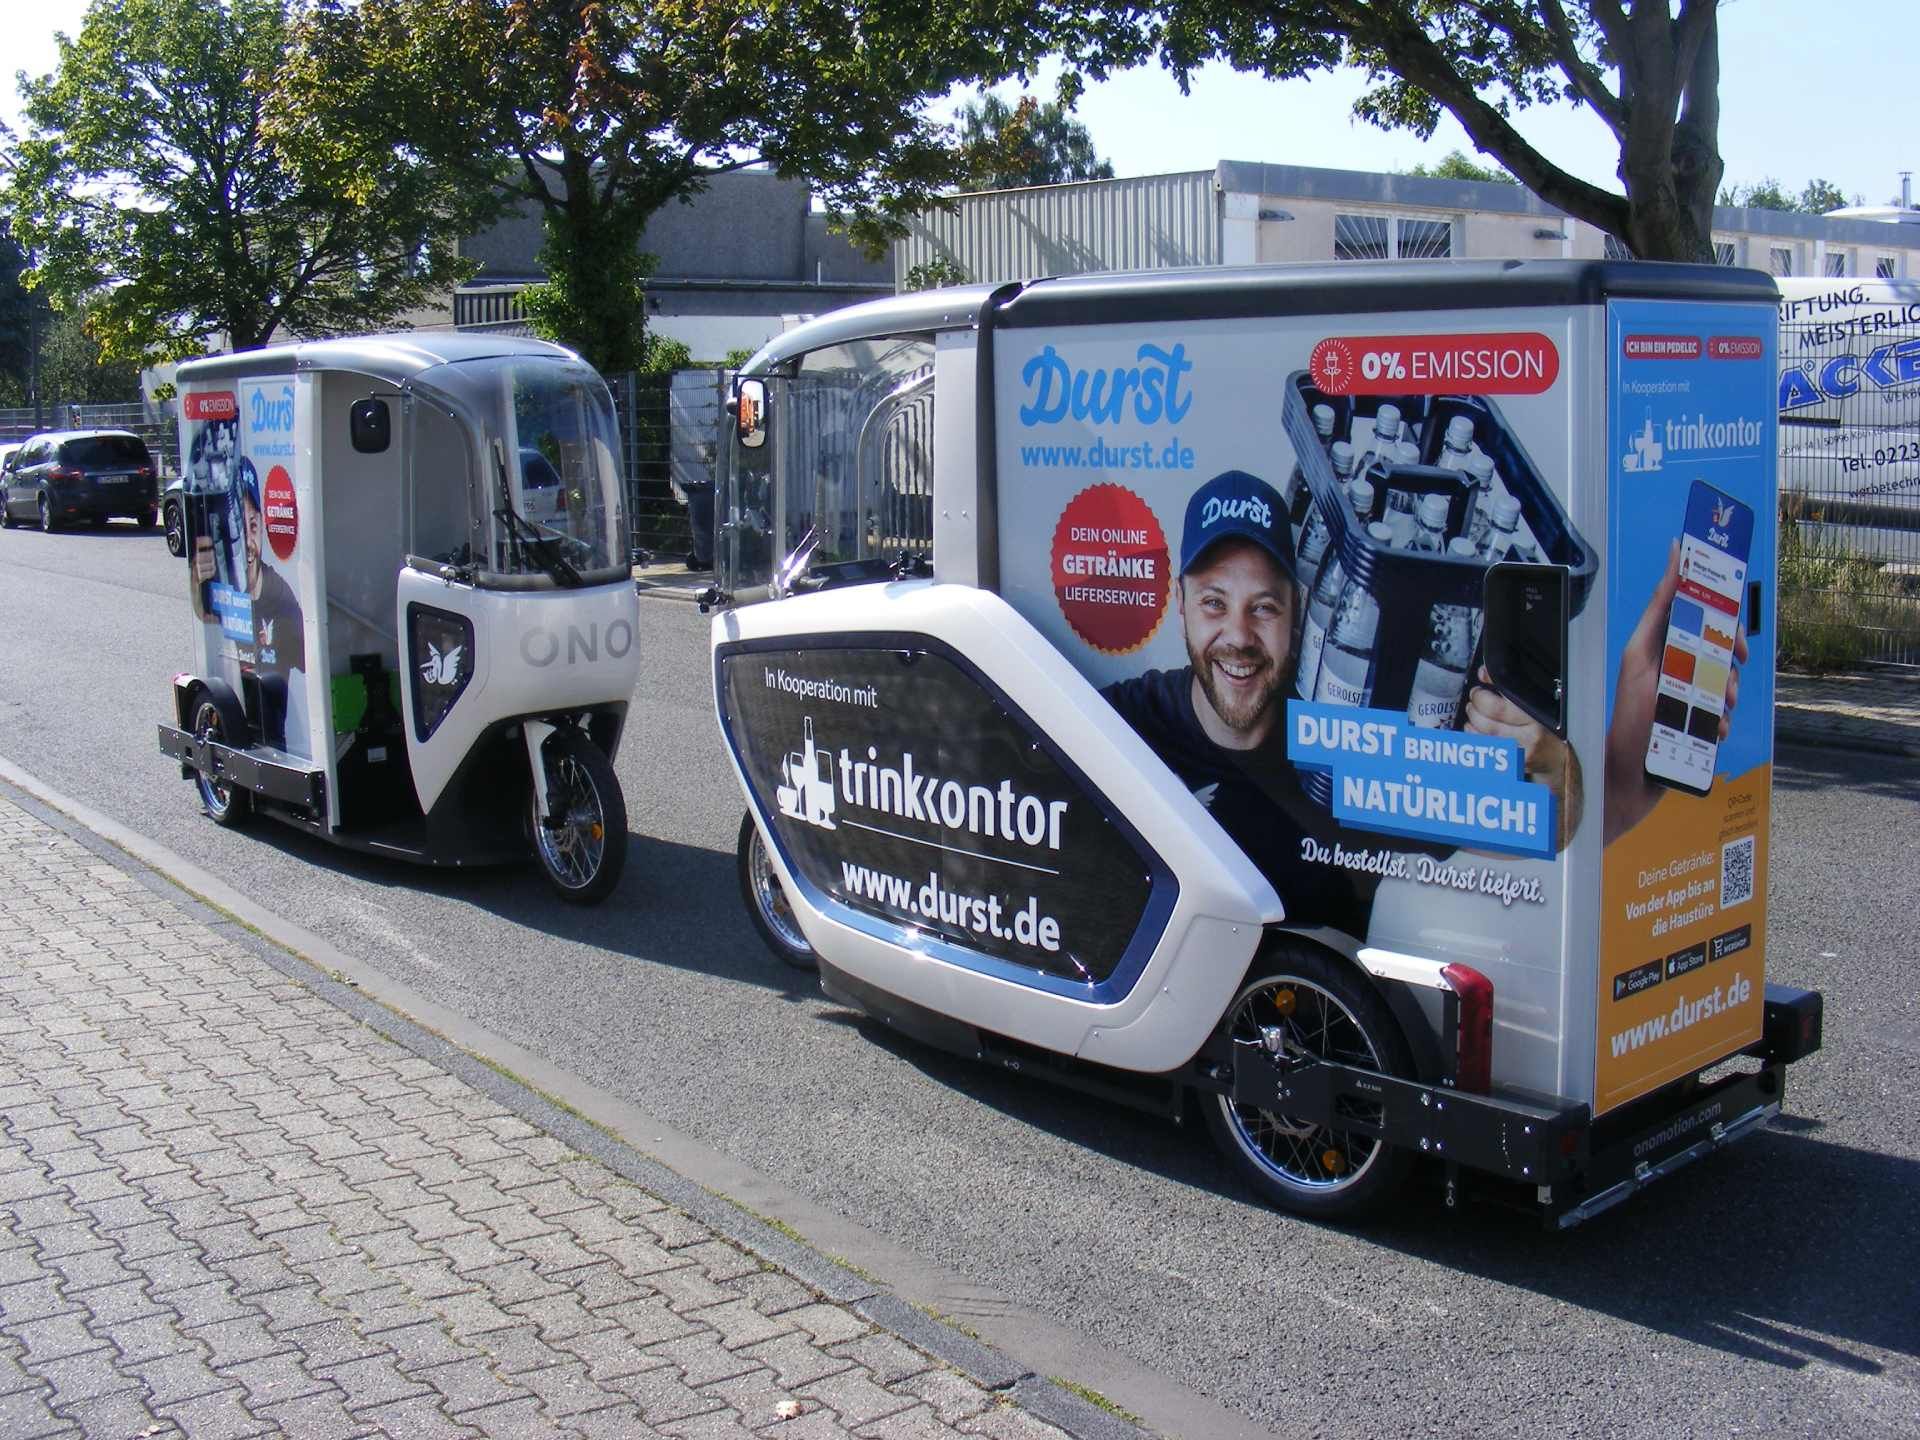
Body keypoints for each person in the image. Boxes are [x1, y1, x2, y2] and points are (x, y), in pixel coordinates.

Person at [1101, 469, 1581, 937]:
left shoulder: (1351, 747)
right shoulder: (1125, 725)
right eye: (1214, 603)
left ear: (1299, 610)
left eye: (1264, 606)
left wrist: (1553, 765)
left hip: (1318, 1011)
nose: (1239, 636)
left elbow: (1548, 827)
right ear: (1180, 603)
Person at [192, 458, 305, 752]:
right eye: (237, 528)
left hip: (282, 745)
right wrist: (197, 580)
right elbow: (205, 613)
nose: (247, 540)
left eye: (252, 524)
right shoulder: (227, 587)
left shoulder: (282, 598)